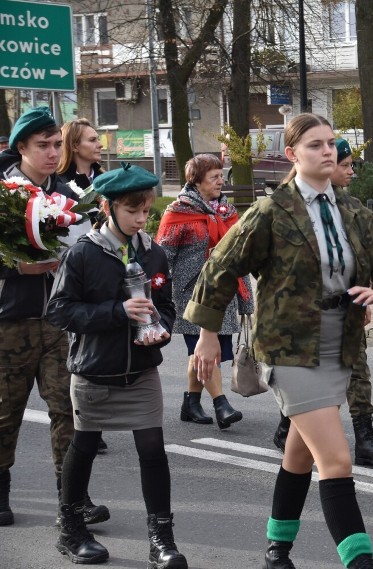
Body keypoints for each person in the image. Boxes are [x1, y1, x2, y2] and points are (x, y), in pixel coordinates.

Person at [185, 113, 373, 569]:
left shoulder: (349, 208)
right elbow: (219, 268)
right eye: (314, 145)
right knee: (338, 460)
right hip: (289, 349)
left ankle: (276, 550)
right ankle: (360, 563)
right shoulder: (272, 211)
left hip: (339, 346)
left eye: (331, 143)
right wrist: (209, 335)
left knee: (300, 453)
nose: (327, 151)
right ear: (292, 154)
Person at [46, 163, 187, 567]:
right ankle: (71, 530)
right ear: (109, 207)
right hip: (94, 371)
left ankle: (162, 539)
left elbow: (165, 305)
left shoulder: (153, 252)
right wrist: (117, 311)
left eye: (146, 210)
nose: (142, 218)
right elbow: (59, 311)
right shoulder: (84, 253)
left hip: (141, 370)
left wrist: (162, 327)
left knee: (153, 451)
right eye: (132, 210)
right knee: (84, 447)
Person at [0, 107, 108, 528]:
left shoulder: (69, 196)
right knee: (6, 411)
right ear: (21, 148)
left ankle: (72, 497)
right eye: (41, 145)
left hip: (60, 322)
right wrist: (15, 268)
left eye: (55, 144)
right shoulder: (5, 194)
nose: (50, 152)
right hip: (11, 320)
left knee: (69, 408)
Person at [271, 138, 373, 467]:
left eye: (351, 164)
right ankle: (290, 425)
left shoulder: (352, 209)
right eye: (346, 165)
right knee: (310, 376)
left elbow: (368, 253)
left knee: (358, 371)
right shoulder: (294, 208)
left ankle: (365, 438)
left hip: (347, 310)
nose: (351, 171)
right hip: (305, 316)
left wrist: (370, 292)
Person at [155, 154, 252, 429]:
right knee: (205, 352)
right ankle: (221, 404)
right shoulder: (178, 211)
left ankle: (191, 402)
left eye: (222, 175)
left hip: (224, 295)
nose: (221, 181)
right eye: (214, 177)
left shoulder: (228, 212)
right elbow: (162, 255)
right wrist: (161, 291)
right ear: (196, 181)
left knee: (211, 352)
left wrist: (246, 296)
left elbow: (240, 256)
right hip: (191, 296)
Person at [57, 118, 108, 454]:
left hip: (103, 267)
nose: (99, 143)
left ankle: (95, 419)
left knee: (98, 348)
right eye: (92, 140)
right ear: (75, 146)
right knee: (75, 350)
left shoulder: (103, 179)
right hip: (71, 268)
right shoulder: (60, 184)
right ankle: (81, 420)